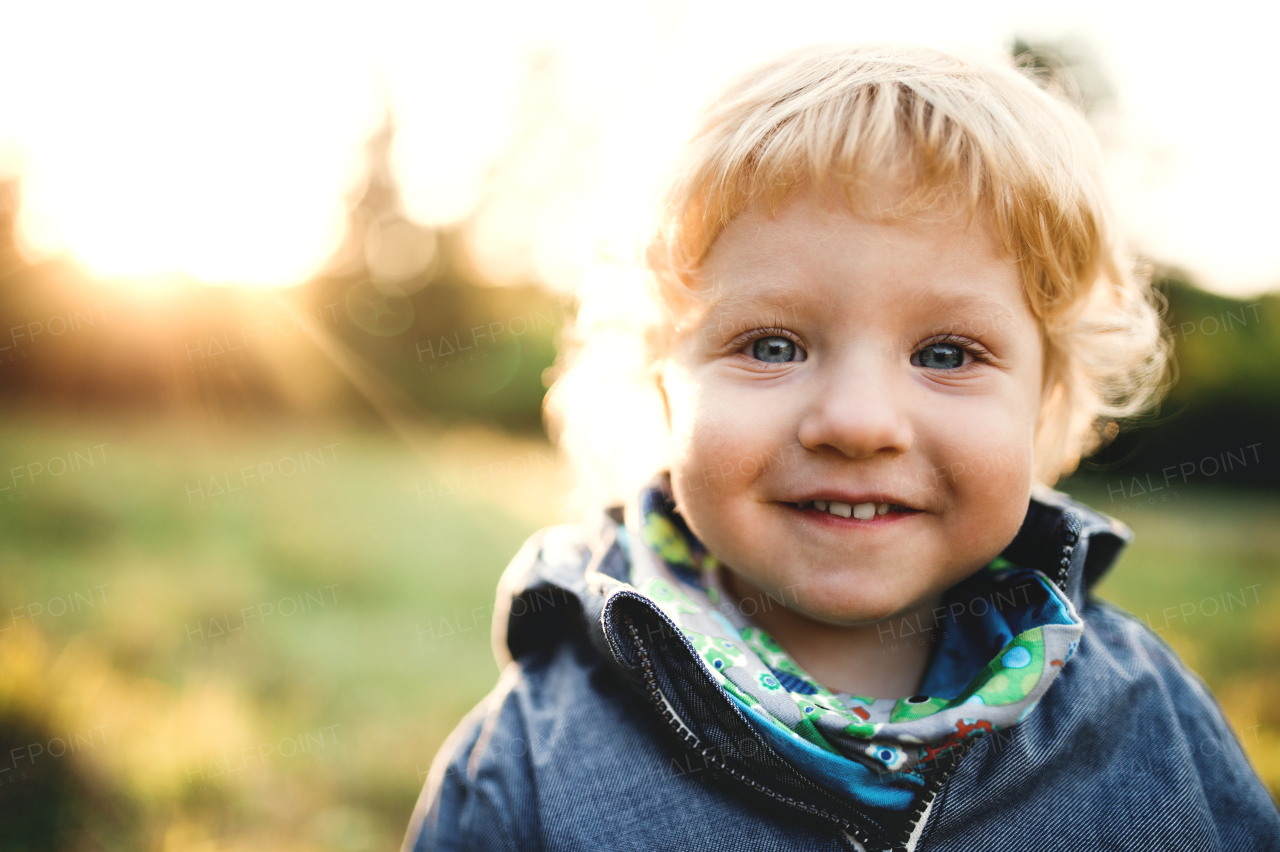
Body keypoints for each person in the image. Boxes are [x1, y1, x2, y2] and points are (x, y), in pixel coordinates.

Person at [402, 44, 1280, 851]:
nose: (858, 423)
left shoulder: (1147, 721)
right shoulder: (533, 759)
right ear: (662, 382)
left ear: (1046, 404)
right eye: (773, 345)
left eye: (946, 354)